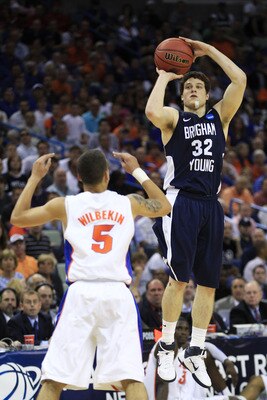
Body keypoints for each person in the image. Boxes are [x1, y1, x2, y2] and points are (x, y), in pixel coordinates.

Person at [10, 150, 171, 400]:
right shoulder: (128, 203)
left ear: (78, 177)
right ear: (107, 175)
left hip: (81, 294)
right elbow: (164, 206)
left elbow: (17, 217)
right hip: (117, 293)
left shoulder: (65, 205)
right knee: (132, 378)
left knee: (53, 380)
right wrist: (136, 170)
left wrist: (35, 177)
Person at [145, 36, 246, 387]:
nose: (192, 89)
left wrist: (208, 50)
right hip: (181, 202)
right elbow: (152, 112)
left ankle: (196, 349)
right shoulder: (174, 119)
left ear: (206, 95)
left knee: (208, 284)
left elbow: (240, 80)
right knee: (179, 279)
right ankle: (168, 344)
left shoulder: (221, 118)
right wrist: (165, 76)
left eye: (197, 86)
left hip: (210, 205)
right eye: (187, 86)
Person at [144, 318, 238, 400]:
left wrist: (227, 362)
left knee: (205, 356)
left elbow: (208, 346)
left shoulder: (182, 348)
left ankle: (227, 393)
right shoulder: (165, 344)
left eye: (186, 329)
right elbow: (162, 382)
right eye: (179, 328)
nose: (183, 332)